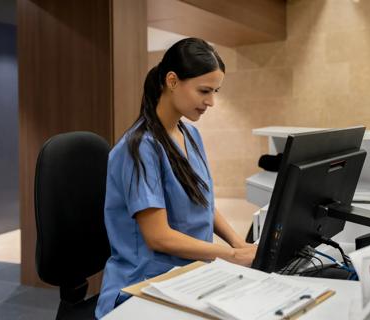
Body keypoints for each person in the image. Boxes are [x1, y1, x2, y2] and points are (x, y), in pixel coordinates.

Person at [95, 38, 257, 319]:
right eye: (204, 91)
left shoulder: (190, 135)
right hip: (143, 285)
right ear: (172, 81)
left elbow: (201, 202)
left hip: (190, 275)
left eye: (215, 91)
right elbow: (158, 237)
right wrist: (230, 257)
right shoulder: (138, 148)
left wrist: (238, 244)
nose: (212, 102)